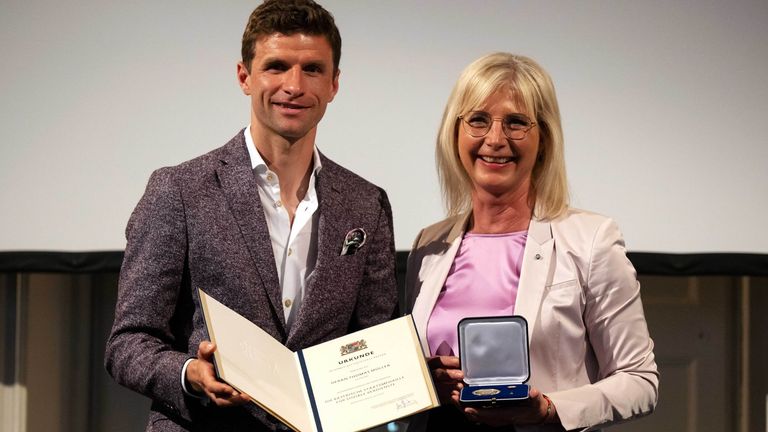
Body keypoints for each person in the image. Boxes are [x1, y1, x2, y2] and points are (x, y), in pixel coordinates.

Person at [104, 1, 397, 430]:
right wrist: (190, 374)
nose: (294, 86)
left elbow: (376, 341)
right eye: (276, 66)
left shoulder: (365, 203)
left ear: (334, 84)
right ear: (244, 76)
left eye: (312, 69)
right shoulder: (180, 190)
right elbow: (128, 342)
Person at [405, 52, 658, 431]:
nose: (495, 139)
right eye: (477, 120)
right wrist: (427, 380)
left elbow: (640, 381)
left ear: (545, 137)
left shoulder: (591, 240)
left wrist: (550, 409)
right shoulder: (430, 244)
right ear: (454, 131)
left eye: (516, 123)